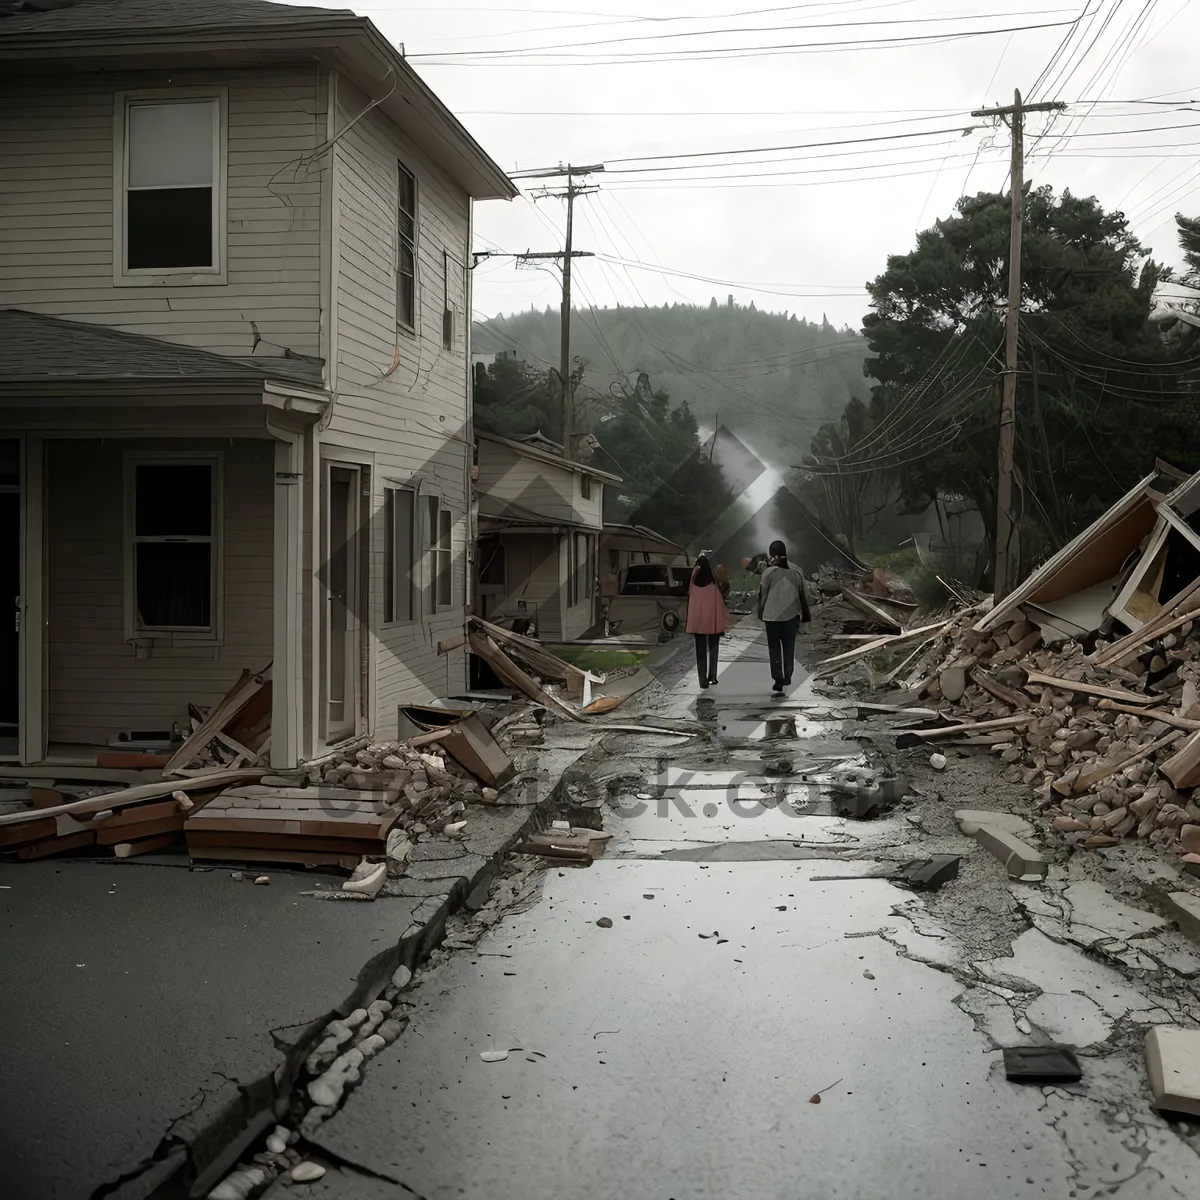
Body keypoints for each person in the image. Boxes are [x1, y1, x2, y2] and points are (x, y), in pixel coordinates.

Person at [756, 539, 811, 694]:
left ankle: (778, 678)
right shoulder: (796, 573)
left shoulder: (768, 573)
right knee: (789, 649)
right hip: (791, 618)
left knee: (774, 649)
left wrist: (761, 613)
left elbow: (763, 595)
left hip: (772, 619)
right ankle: (787, 675)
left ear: (772, 555)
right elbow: (804, 595)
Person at [686, 552, 727, 688]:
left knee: (700, 652)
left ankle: (702, 680)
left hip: (698, 625)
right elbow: (720, 604)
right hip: (713, 624)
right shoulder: (713, 586)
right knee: (714, 648)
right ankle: (713, 675)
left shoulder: (693, 587)